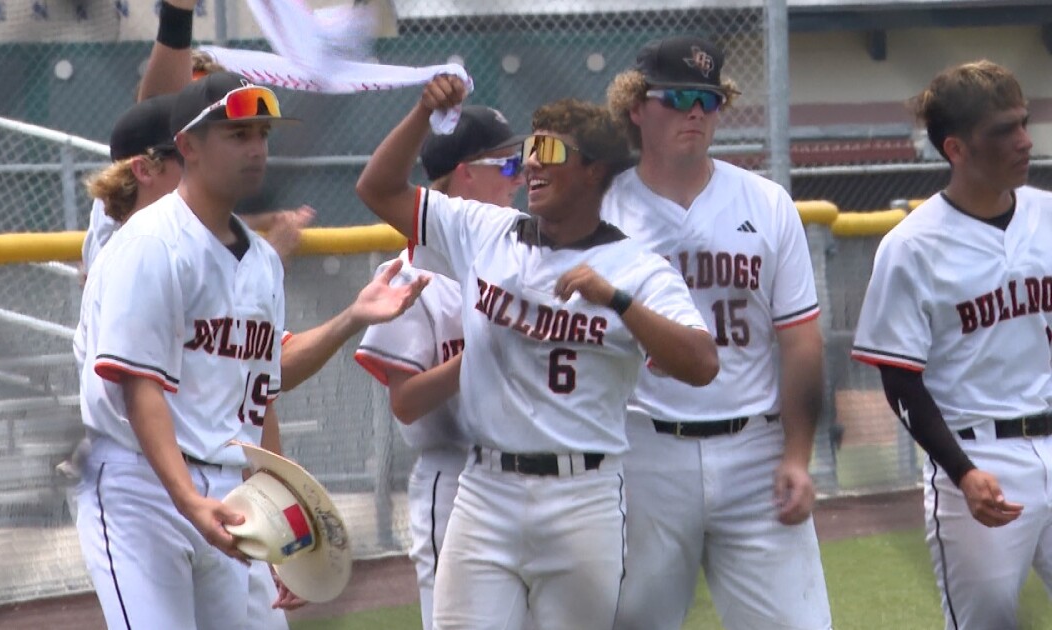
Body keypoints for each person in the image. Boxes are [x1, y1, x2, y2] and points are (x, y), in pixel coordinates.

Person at [356, 74, 719, 630]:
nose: (530, 165)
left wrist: (618, 301)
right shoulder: (485, 229)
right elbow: (378, 188)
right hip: (484, 491)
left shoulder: (636, 270)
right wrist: (422, 117)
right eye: (528, 150)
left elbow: (701, 363)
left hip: (583, 497)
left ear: (594, 169)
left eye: (548, 151)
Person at [604, 36, 831, 630]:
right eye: (677, 97)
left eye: (709, 99)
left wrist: (799, 456)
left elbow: (801, 340)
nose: (696, 112)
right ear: (636, 107)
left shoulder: (766, 201)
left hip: (755, 450)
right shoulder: (604, 208)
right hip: (641, 446)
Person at [74, 71, 305, 629]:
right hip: (142, 489)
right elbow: (140, 387)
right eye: (237, 135)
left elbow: (260, 400)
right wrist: (186, 499)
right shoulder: (152, 244)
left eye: (262, 135)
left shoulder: (264, 262)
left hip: (227, 485)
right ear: (189, 146)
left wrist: (278, 510)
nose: (256, 150)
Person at [852, 60, 1051, 630]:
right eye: (1003, 130)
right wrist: (961, 471)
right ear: (957, 148)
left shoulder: (1047, 214)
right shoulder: (911, 247)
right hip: (980, 456)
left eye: (1023, 122)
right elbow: (900, 380)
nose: (1023, 140)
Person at [353, 104, 525, 630]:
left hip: (533, 470)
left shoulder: (523, 253)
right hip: (455, 472)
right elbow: (405, 403)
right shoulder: (411, 274)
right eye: (509, 166)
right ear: (467, 174)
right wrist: (482, 351)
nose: (520, 179)